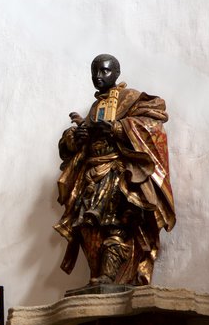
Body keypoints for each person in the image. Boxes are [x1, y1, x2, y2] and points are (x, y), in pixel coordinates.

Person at [54, 54, 176, 287]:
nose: (98, 77)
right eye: (94, 72)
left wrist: (118, 128)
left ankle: (110, 276)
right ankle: (96, 275)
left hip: (116, 173)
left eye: (105, 71)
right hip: (91, 176)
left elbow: (154, 123)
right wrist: (77, 137)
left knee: (115, 222)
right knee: (87, 225)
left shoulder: (130, 99)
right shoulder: (94, 107)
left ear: (117, 73)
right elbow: (78, 145)